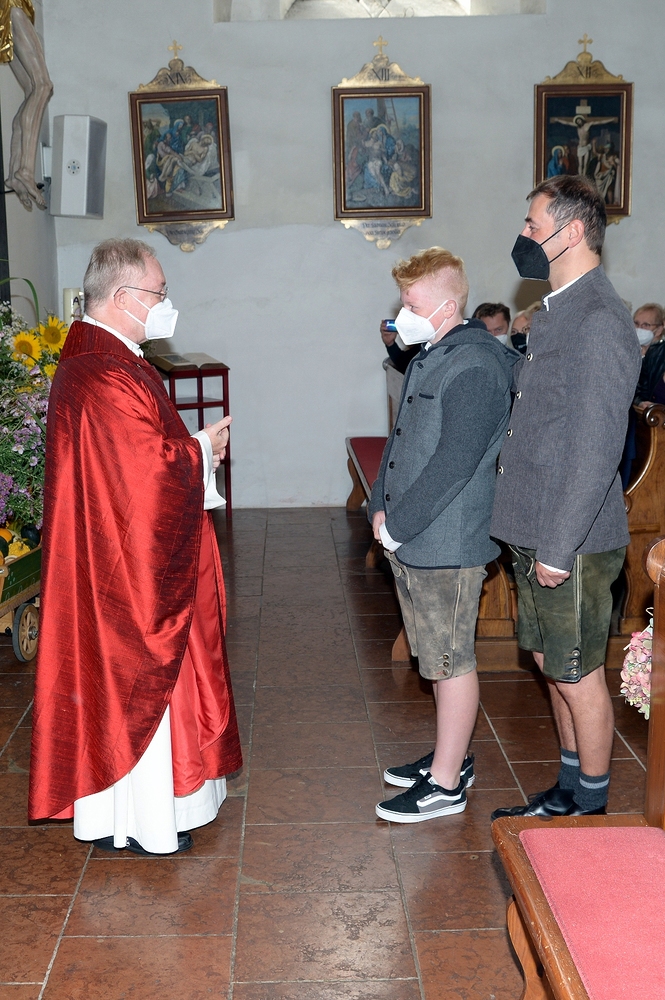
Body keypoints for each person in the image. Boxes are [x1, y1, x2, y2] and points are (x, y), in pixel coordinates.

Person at [29, 238, 242, 855]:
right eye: (159, 293)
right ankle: (143, 819)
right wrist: (201, 449)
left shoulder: (107, 354)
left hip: (108, 554)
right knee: (138, 672)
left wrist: (190, 449)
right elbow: (144, 474)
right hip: (124, 572)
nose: (166, 303)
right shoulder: (101, 369)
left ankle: (129, 815)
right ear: (123, 298)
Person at [490, 175, 641, 821]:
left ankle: (590, 806)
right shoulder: (559, 309)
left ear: (571, 232)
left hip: (569, 537)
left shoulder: (599, 320)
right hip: (537, 521)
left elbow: (594, 448)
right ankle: (567, 788)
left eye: (532, 225)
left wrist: (557, 546)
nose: (523, 235)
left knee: (577, 674)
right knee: (551, 664)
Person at [369, 247, 519, 823]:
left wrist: (400, 525)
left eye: (411, 304)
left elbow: (454, 463)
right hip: (414, 535)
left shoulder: (476, 364)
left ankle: (446, 784)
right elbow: (401, 439)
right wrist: (379, 505)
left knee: (451, 661)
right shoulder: (435, 351)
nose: (401, 315)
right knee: (435, 656)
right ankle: (448, 757)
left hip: (445, 539)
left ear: (448, 306)